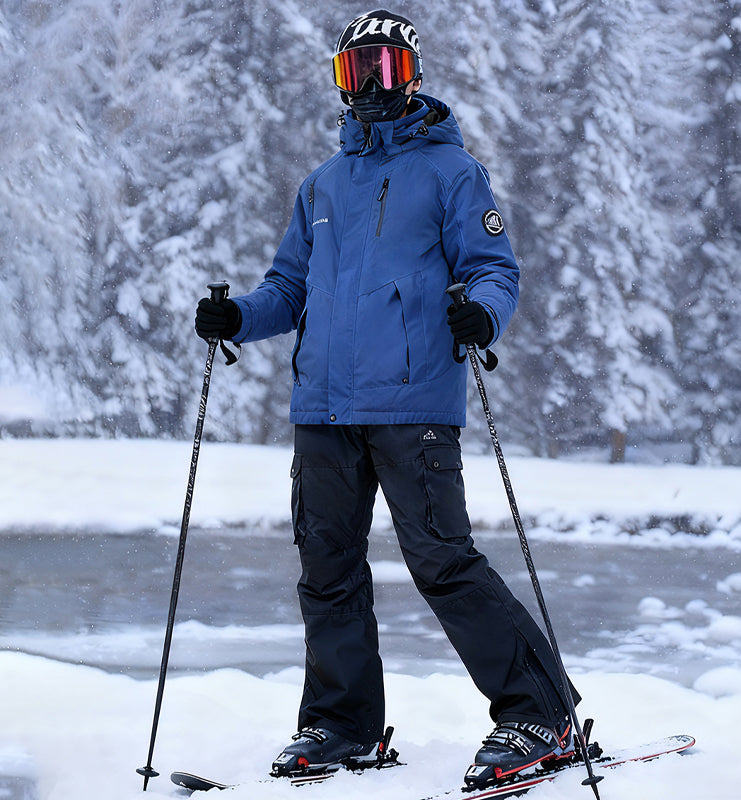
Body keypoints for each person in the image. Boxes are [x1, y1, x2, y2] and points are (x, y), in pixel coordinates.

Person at [195, 8, 579, 789]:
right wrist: (240, 317)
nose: (370, 85)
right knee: (326, 566)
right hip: (324, 410)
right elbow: (289, 287)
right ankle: (342, 725)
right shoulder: (323, 185)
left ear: (413, 77)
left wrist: (483, 312)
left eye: (385, 69)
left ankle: (542, 714)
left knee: (442, 560)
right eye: (355, 70)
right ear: (340, 80)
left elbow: (496, 268)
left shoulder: (452, 172)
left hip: (414, 404)